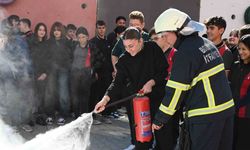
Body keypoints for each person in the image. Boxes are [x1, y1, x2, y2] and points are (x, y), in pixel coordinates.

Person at [152, 8, 235, 150]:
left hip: (206, 116)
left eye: (165, 35)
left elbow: (176, 91)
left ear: (178, 31)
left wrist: (160, 119)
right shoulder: (206, 44)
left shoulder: (185, 53)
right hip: (225, 111)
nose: (165, 40)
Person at [95, 27, 168, 150]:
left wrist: (151, 82)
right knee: (141, 141)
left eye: (132, 46)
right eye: (126, 47)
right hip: (138, 104)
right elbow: (117, 83)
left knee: (163, 140)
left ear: (140, 41)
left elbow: (163, 71)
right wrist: (105, 100)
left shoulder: (153, 48)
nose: (129, 50)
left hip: (158, 99)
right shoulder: (124, 60)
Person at [149, 27, 179, 149]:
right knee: (159, 134)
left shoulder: (175, 54)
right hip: (156, 98)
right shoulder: (152, 55)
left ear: (164, 38)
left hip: (171, 99)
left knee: (170, 132)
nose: (153, 42)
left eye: (156, 38)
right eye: (151, 39)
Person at [70, 26, 104, 118]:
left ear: (87, 37)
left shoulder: (92, 47)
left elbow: (101, 59)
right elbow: (68, 58)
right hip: (75, 74)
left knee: (85, 97)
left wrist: (93, 69)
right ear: (77, 38)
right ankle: (77, 116)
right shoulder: (73, 46)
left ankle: (84, 116)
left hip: (86, 74)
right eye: (79, 37)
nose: (81, 39)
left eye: (83, 37)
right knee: (75, 96)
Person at [46, 22, 72, 125]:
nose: (57, 32)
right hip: (51, 70)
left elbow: (70, 56)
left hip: (63, 70)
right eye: (55, 29)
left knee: (63, 93)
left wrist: (66, 66)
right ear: (52, 31)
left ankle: (63, 115)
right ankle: (50, 114)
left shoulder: (67, 42)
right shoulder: (49, 42)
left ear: (62, 31)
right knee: (50, 93)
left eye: (59, 30)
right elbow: (45, 56)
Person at [111, 11, 149, 76]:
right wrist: (117, 70)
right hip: (125, 77)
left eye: (136, 25)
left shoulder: (148, 38)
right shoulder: (123, 38)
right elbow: (114, 54)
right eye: (131, 25)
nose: (133, 27)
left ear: (143, 25)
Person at [89, 20, 113, 124]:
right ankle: (92, 116)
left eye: (103, 28)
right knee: (94, 94)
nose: (101, 30)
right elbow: (91, 59)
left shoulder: (108, 41)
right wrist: (94, 71)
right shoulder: (92, 42)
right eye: (99, 28)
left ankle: (105, 115)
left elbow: (111, 57)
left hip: (107, 73)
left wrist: (113, 70)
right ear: (96, 29)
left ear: (105, 28)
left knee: (105, 94)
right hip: (97, 73)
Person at [229, 34, 250, 150]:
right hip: (233, 115)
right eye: (239, 49)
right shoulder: (236, 66)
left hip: (247, 117)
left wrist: (236, 105)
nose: (241, 52)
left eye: (244, 49)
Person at [29, 23, 49, 125]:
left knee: (41, 96)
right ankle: (29, 118)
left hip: (42, 74)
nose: (42, 32)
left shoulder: (46, 44)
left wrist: (45, 73)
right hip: (31, 72)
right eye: (40, 29)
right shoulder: (31, 42)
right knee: (31, 96)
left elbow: (49, 60)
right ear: (36, 30)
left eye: (44, 30)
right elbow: (26, 58)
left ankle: (40, 118)